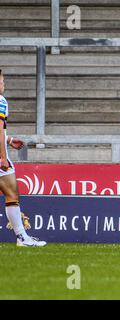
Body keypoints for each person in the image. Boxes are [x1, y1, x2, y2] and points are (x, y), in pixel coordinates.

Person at [0, 69, 46, 247]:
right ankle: (22, 238)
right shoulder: (1, 101)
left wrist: (9, 139)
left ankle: (22, 237)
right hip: (0, 157)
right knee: (12, 194)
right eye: (2, 82)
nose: (4, 85)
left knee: (11, 193)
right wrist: (3, 157)